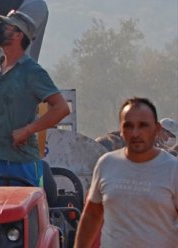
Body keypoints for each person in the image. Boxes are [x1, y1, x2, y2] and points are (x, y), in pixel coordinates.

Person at [0, 10, 70, 187]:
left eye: (5, 26)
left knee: (21, 213)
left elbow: (61, 108)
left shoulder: (32, 72)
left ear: (18, 34)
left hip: (20, 162)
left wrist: (28, 130)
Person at [75, 98, 178, 247]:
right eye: (129, 126)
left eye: (143, 126)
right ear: (121, 130)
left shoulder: (173, 169)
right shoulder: (106, 164)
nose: (136, 133)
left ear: (157, 129)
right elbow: (92, 215)